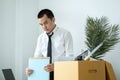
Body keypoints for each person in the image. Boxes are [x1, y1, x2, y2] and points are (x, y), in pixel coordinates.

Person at [25, 9, 73, 80]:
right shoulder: (41, 38)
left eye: (46, 23)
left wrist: (56, 66)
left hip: (61, 74)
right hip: (43, 75)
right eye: (41, 24)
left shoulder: (65, 34)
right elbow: (36, 58)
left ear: (53, 20)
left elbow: (70, 58)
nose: (44, 27)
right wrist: (30, 69)